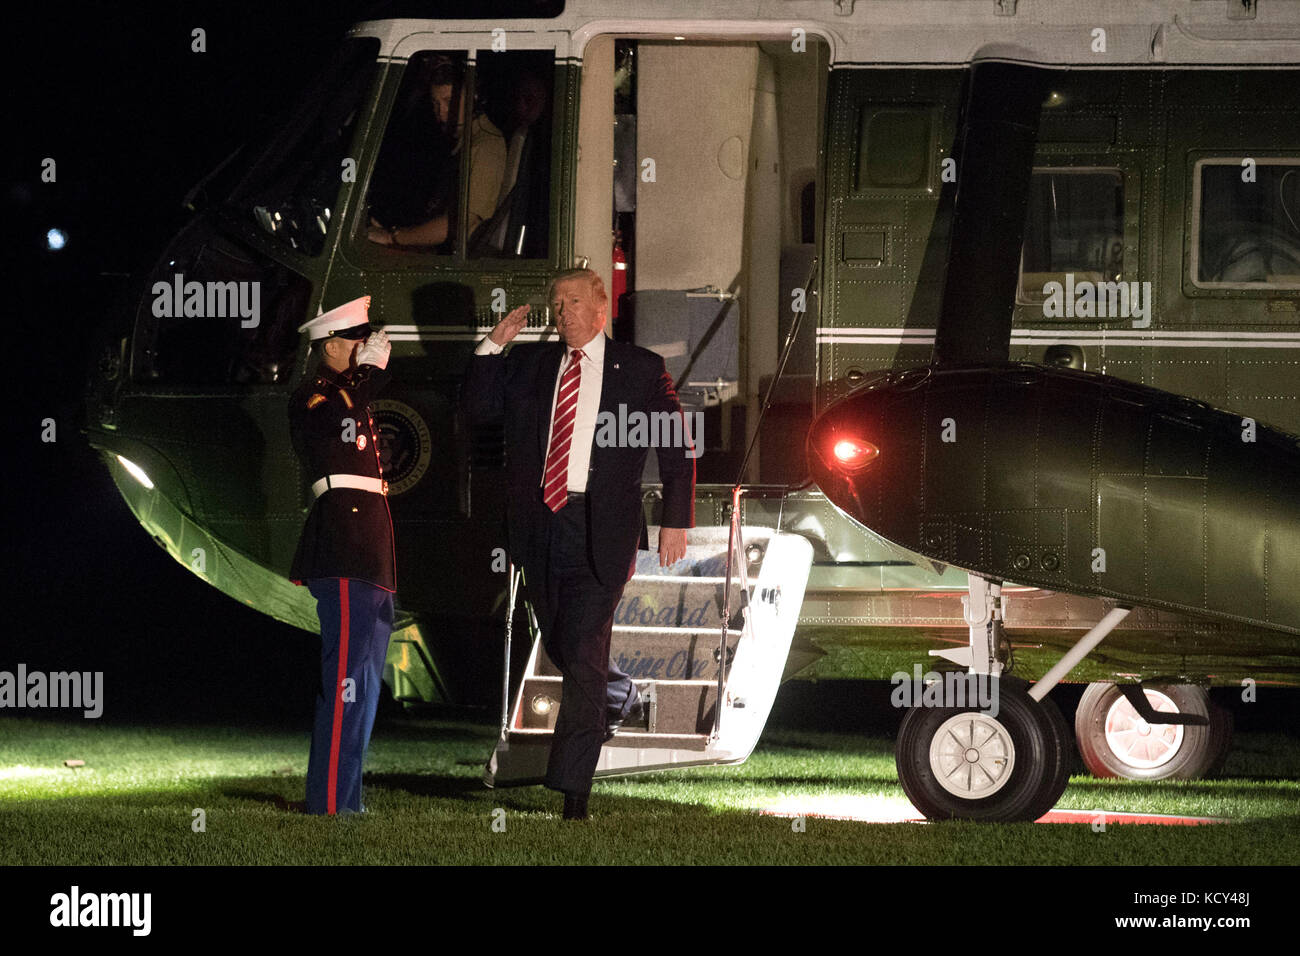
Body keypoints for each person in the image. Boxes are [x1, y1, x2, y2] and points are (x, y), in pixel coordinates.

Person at [463, 268, 695, 820]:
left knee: (584, 648)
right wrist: (493, 347)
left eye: (572, 300)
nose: (562, 310)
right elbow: (478, 410)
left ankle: (573, 792)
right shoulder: (532, 365)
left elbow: (676, 446)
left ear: (599, 308)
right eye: (556, 302)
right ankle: (617, 696)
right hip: (541, 527)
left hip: (602, 528)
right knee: (568, 647)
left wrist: (674, 520)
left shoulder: (639, 369)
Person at [288, 295, 396, 815]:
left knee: (367, 682)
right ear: (331, 345)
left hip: (370, 550)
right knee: (347, 680)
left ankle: (345, 797)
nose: (366, 348)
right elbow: (331, 425)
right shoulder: (316, 395)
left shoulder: (352, 397)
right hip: (344, 547)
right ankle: (328, 801)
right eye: (357, 341)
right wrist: (365, 375)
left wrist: (364, 378)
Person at [366, 54, 506, 249]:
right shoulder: (461, 143)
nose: (441, 113)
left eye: (450, 101)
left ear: (475, 97)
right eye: (435, 103)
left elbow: (463, 223)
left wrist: (394, 237)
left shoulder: (487, 145)